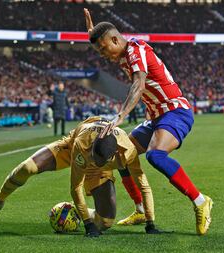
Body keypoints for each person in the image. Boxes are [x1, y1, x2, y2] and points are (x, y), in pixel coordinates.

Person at [84, 8, 213, 235]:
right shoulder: (121, 51)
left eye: (104, 48)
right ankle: (141, 209)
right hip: (156, 117)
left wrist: (121, 115)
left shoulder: (135, 51)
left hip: (176, 112)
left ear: (115, 39)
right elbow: (107, 41)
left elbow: (139, 85)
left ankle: (201, 201)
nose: (103, 55)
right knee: (121, 155)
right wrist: (93, 33)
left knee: (156, 155)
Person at [0, 116, 156, 236]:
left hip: (100, 169)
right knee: (27, 167)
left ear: (114, 154)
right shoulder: (84, 147)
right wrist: (88, 225)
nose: (93, 160)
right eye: (93, 156)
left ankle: (73, 211)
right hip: (73, 147)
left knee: (105, 222)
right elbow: (76, 186)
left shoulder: (128, 152)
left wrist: (150, 223)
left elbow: (144, 185)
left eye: (97, 159)